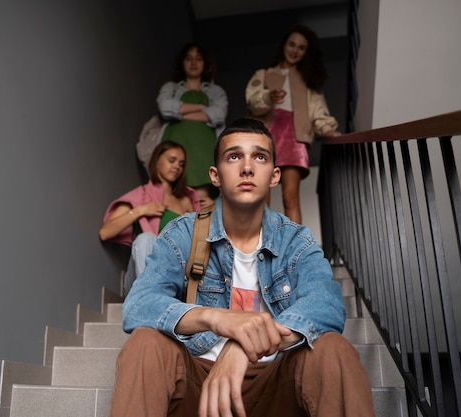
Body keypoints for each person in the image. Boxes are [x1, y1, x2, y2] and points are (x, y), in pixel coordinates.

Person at [109, 119, 375, 417]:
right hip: (200, 383)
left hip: (274, 381)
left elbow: (326, 307)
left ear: (274, 175)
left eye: (259, 157)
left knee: (333, 350)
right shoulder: (183, 233)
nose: (247, 168)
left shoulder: (296, 240)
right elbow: (139, 305)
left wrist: (243, 346)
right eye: (233, 156)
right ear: (215, 175)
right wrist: (217, 318)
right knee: (145, 343)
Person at [246, 24, 341, 224]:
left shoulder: (309, 82)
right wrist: (269, 96)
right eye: (292, 44)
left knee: (290, 198)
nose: (294, 50)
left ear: (307, 53)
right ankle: (262, 247)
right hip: (266, 135)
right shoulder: (264, 74)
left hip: (295, 138)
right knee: (261, 197)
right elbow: (252, 101)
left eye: (301, 47)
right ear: (284, 45)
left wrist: (328, 129)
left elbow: (318, 110)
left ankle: (296, 250)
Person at [99, 141, 199, 294]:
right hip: (140, 280)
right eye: (171, 160)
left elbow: (198, 240)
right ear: (156, 162)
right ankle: (150, 299)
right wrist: (140, 210)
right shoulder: (142, 195)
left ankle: (162, 298)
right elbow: (105, 233)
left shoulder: (185, 201)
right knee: (145, 238)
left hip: (175, 273)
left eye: (181, 164)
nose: (177, 167)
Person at [157, 42, 228, 202]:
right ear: (182, 63)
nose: (194, 62)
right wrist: (200, 107)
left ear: (205, 63)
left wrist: (180, 113)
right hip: (175, 141)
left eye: (198, 58)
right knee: (174, 196)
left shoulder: (216, 91)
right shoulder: (171, 88)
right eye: (189, 58)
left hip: (204, 146)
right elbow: (164, 107)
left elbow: (218, 114)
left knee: (200, 199)